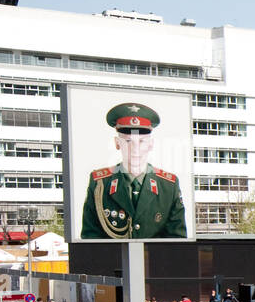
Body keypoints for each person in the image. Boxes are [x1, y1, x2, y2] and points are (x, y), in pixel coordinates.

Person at [79, 102, 187, 239]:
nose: (135, 149)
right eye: (128, 141)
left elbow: (177, 242)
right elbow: (90, 240)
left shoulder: (168, 186)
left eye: (141, 141)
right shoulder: (100, 184)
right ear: (117, 143)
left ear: (150, 144)